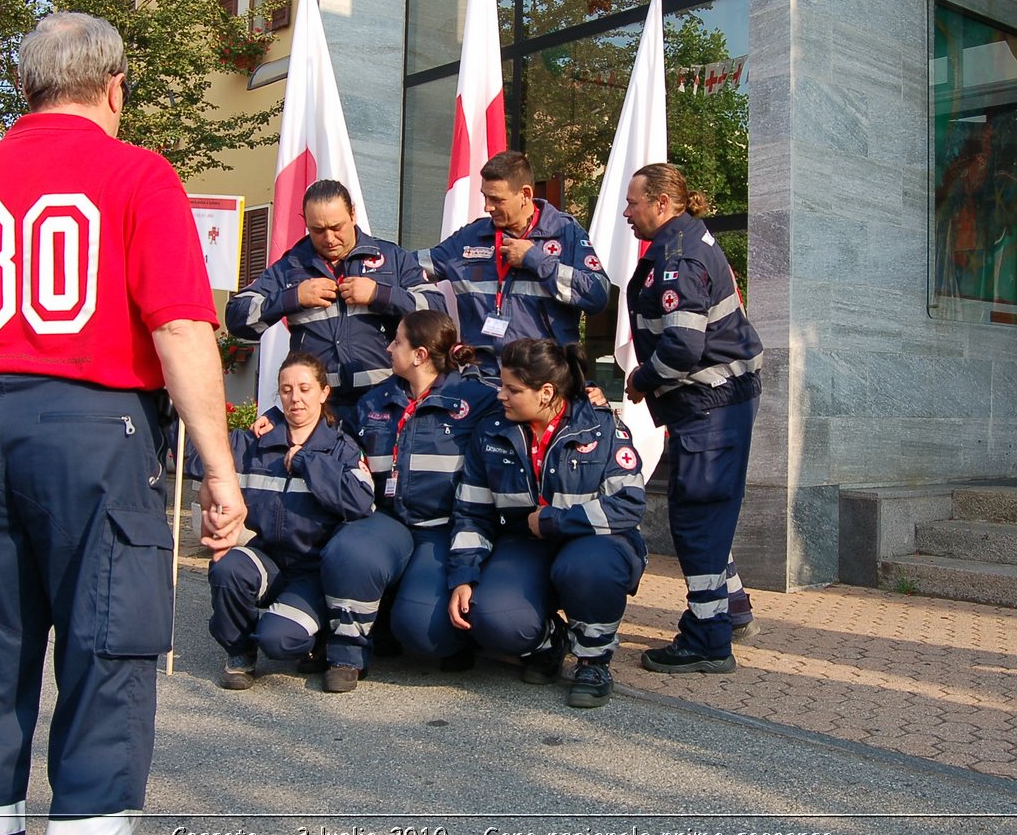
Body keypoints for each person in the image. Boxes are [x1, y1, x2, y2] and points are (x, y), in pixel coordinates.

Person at [0, 11, 244, 835]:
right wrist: (219, 474)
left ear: (25, 87)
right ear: (115, 87)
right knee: (105, 663)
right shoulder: (138, 174)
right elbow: (182, 329)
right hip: (92, 432)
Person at [448, 338, 646, 709]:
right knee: (493, 619)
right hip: (524, 545)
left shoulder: (601, 428)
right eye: (501, 385)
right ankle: (550, 639)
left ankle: (593, 660)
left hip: (594, 546)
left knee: (587, 568)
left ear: (546, 392)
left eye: (512, 389)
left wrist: (557, 521)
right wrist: (463, 573)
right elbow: (471, 512)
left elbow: (628, 504)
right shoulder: (490, 431)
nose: (501, 395)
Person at [622, 163, 763, 674]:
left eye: (634, 202)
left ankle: (707, 638)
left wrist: (641, 379)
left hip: (711, 405)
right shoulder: (685, 243)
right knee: (707, 509)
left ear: (662, 204)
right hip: (720, 401)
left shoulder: (677, 260)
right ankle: (734, 605)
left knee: (697, 515)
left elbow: (682, 349)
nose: (626, 212)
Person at [317, 309, 501, 692]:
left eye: (396, 341)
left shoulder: (477, 399)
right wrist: (271, 421)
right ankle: (346, 652)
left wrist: (586, 397)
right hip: (388, 523)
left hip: (443, 529)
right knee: (348, 549)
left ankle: (444, 633)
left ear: (419, 354)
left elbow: (528, 402)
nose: (388, 348)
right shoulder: (375, 400)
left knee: (424, 632)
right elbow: (330, 430)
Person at [203, 350, 374, 691]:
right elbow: (205, 465)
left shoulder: (342, 448)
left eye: (305, 389)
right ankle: (239, 653)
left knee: (280, 641)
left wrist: (308, 462)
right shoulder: (255, 440)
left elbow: (361, 502)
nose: (295, 398)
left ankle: (309, 632)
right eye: (286, 389)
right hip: (266, 555)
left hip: (312, 569)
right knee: (227, 570)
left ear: (324, 392)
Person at [226, 179, 442, 412]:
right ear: (305, 223)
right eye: (318, 230)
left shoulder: (391, 258)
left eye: (336, 227)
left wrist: (379, 294)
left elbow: (437, 310)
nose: (329, 238)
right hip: (319, 407)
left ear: (353, 214)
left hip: (385, 399)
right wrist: (292, 298)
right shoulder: (290, 266)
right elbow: (237, 317)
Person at [416, 151, 610, 372]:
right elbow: (411, 266)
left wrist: (535, 260)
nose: (487, 207)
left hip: (541, 379)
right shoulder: (470, 238)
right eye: (485, 197)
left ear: (525, 194)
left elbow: (597, 295)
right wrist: (373, 255)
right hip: (482, 377)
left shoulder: (566, 233)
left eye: (497, 200)